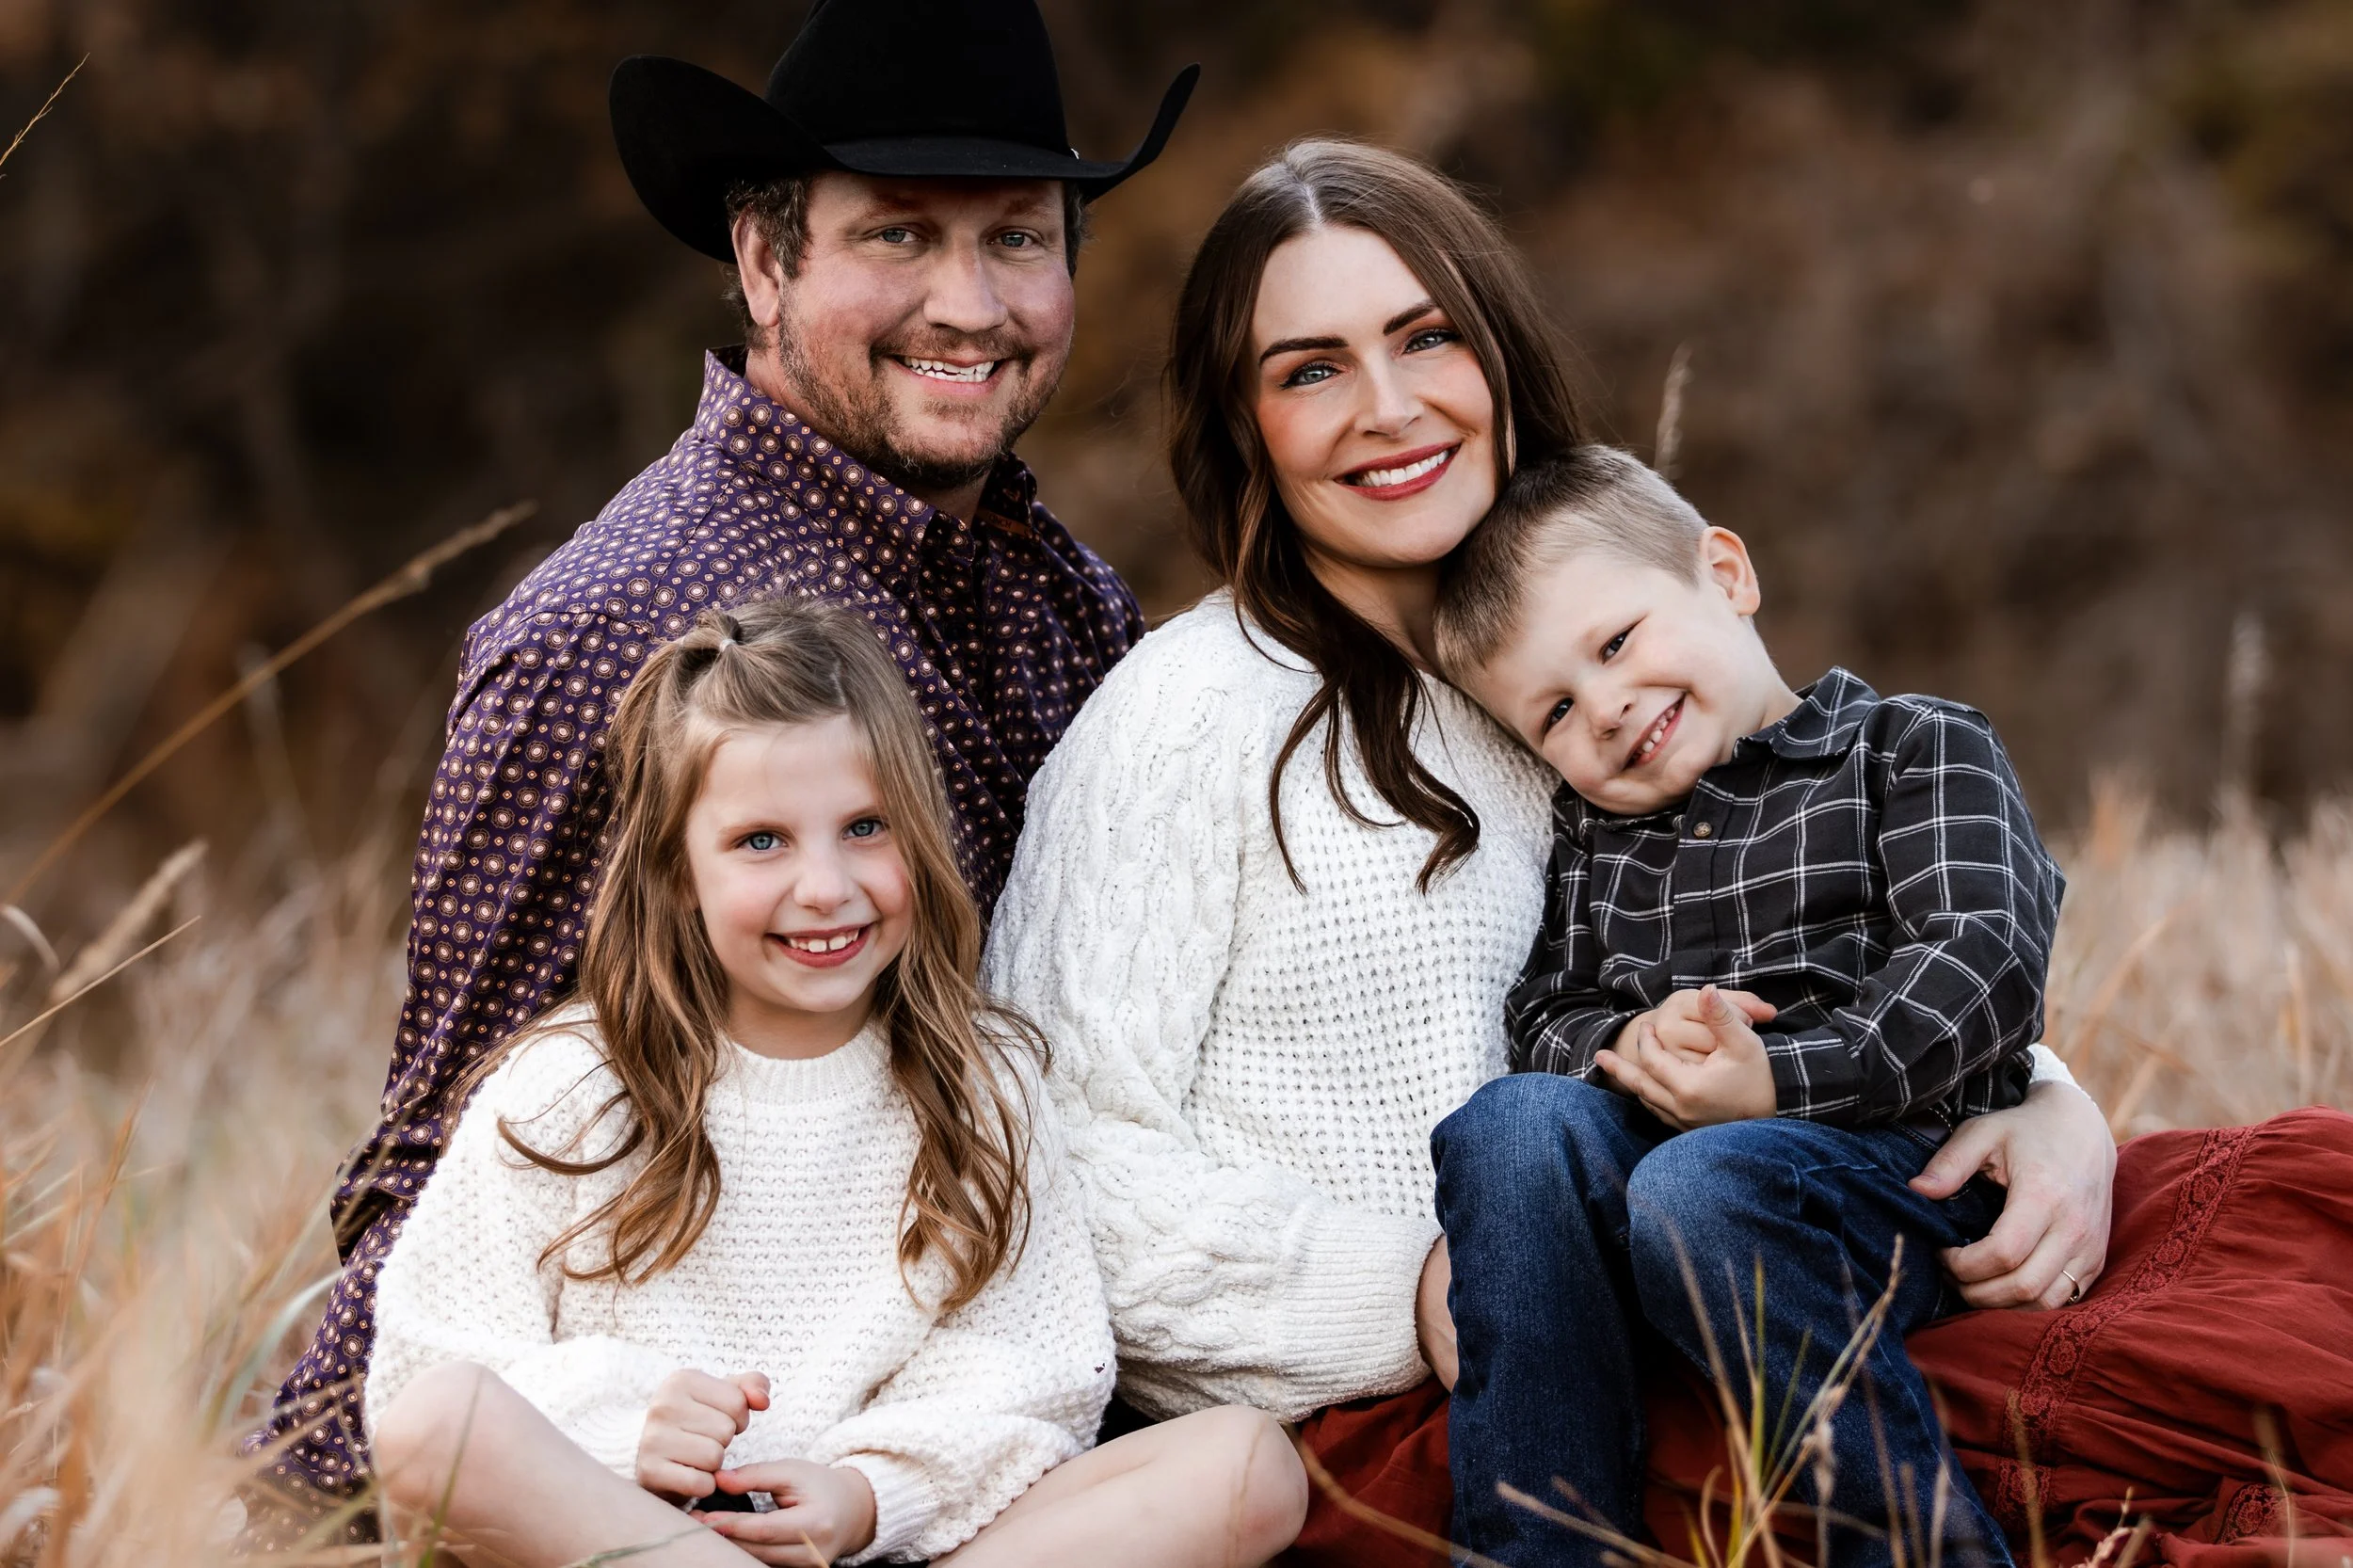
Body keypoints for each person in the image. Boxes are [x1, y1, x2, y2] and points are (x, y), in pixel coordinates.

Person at [982, 137, 2117, 1566]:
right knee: (1527, 1137)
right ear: (1243, 423)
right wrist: (1406, 1288)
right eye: (1311, 367)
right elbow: (1041, 1162)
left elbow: (1839, 920)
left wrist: (2055, 1104)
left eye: (1425, 335)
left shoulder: (1583, 660)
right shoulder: (1185, 714)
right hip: (1428, 1402)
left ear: (1497, 351)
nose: (1390, 406)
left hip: (1745, 1289)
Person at [247, 0, 1199, 1526]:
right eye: (898, 237)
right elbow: (439, 1166)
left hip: (947, 1431)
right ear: (764, 261)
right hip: (641, 1475)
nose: (972, 304)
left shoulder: (1062, 597)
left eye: (1019, 239)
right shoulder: (621, 629)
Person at [363, 597, 1304, 1568]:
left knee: (1246, 1466)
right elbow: (425, 1366)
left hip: (893, 1546)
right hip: (643, 1544)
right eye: (761, 840)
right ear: (677, 870)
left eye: (864, 827)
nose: (825, 885)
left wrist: (867, 1493)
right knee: (437, 1423)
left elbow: (1032, 1367)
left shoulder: (979, 1081)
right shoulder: (567, 1086)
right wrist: (622, 1421)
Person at [1425, 445, 2064, 1568]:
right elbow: (1545, 1009)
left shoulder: (1909, 748)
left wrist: (1778, 1080)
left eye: (1616, 643)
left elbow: (1984, 959)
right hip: (1671, 1192)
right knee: (1510, 1124)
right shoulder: (1597, 842)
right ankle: (1543, 1546)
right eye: (1557, 712)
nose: (1609, 708)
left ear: (1724, 573)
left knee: (1702, 1180)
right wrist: (1628, 1047)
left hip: (1888, 1183)